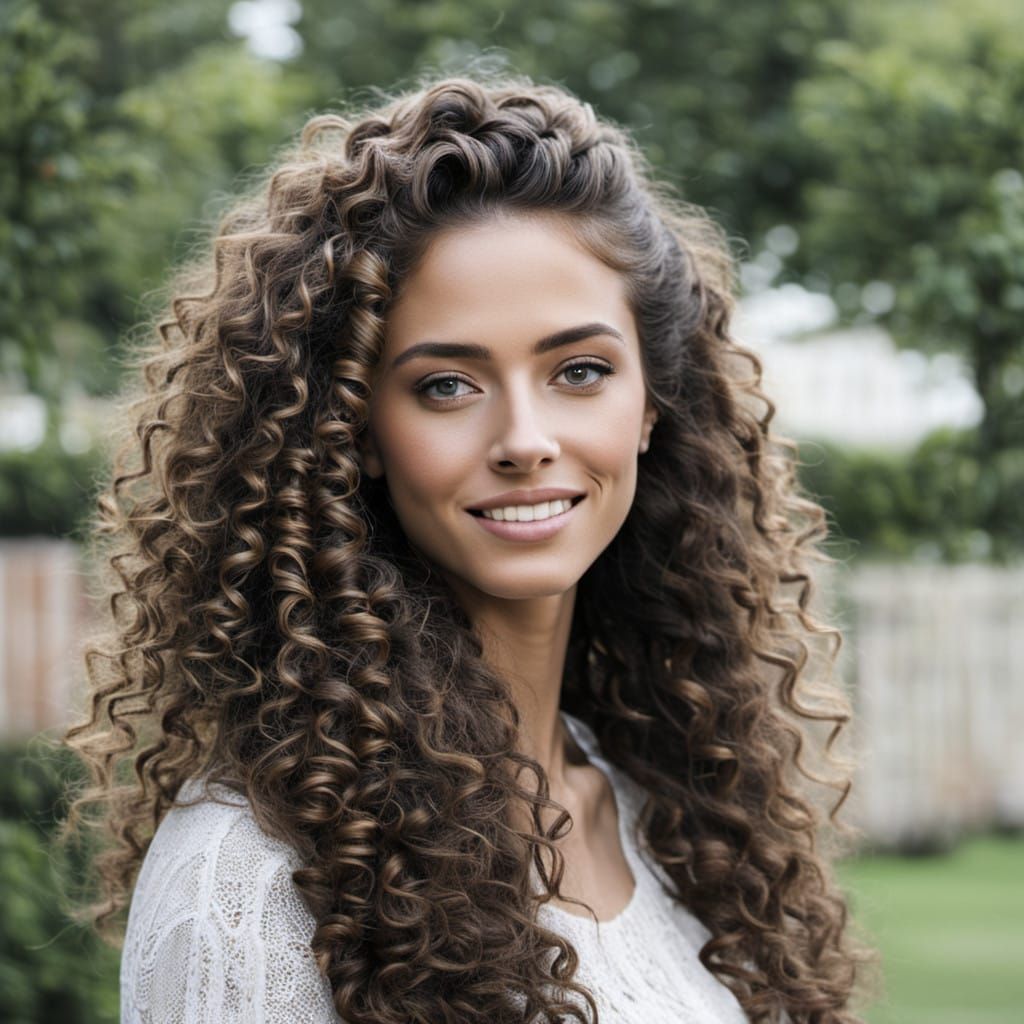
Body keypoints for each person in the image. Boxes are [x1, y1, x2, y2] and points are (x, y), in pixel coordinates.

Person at [60, 68, 877, 1023]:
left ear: (651, 404)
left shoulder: (670, 816)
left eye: (580, 370)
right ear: (354, 428)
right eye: (447, 385)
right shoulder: (249, 885)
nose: (526, 440)